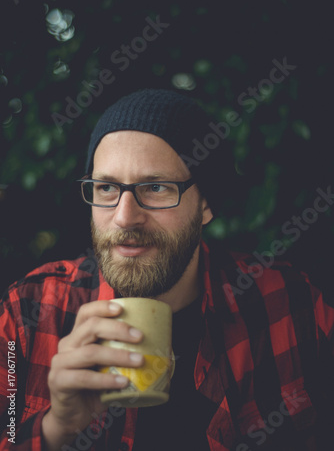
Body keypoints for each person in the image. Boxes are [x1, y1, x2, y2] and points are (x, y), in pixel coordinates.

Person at [0, 89, 333, 451]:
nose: (125, 217)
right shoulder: (28, 314)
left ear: (206, 205)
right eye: (107, 187)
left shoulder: (290, 304)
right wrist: (55, 427)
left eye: (156, 187)